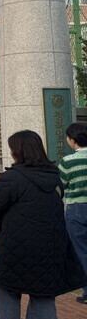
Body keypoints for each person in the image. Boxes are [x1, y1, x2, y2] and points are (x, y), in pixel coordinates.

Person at [0, 130, 87, 319]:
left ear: (17, 151)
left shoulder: (11, 178)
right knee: (43, 293)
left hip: (15, 245)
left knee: (6, 289)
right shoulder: (54, 177)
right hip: (50, 245)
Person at [59, 122, 87, 303]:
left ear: (72, 140)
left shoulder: (67, 162)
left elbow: (61, 186)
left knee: (81, 251)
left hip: (77, 208)